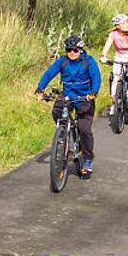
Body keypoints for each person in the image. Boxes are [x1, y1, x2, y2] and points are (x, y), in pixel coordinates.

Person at [35, 35, 101, 178]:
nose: (72, 53)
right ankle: (65, 132)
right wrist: (40, 88)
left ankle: (87, 160)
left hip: (84, 98)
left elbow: (96, 77)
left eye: (75, 50)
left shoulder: (88, 61)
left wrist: (93, 92)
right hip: (67, 95)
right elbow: (49, 73)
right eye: (69, 50)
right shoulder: (63, 61)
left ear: (80, 49)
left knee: (84, 129)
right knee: (57, 111)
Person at [101, 13, 128, 111]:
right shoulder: (113, 34)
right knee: (115, 79)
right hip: (119, 57)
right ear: (117, 26)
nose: (126, 25)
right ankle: (114, 103)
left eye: (126, 22)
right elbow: (107, 46)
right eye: (123, 23)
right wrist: (104, 56)